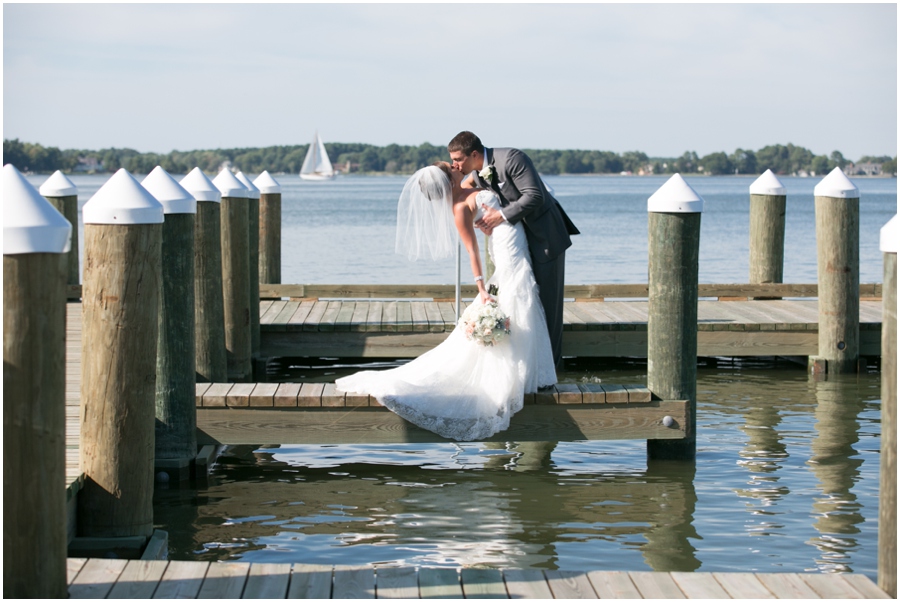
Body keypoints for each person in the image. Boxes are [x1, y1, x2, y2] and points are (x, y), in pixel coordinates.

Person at [335, 163, 556, 441]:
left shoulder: (470, 183)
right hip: (504, 244)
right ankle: (520, 376)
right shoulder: (459, 210)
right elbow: (471, 249)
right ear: (446, 183)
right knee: (518, 293)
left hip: (509, 233)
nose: (456, 168)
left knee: (522, 293)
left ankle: (528, 373)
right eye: (451, 170)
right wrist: (481, 288)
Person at [448, 131, 579, 369]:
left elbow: (535, 196)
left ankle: (552, 370)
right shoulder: (476, 172)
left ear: (474, 154)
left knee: (547, 308)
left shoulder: (512, 159)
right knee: (524, 304)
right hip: (517, 245)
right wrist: (481, 218)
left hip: (545, 237)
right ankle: (528, 367)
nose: (455, 164)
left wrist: (500, 216)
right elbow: (466, 190)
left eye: (458, 159)